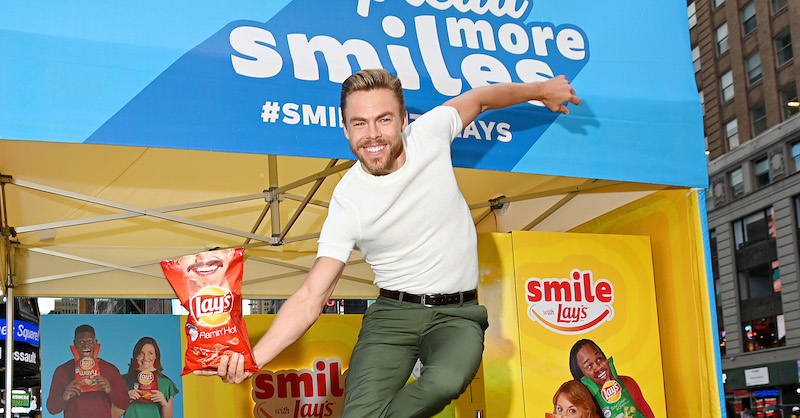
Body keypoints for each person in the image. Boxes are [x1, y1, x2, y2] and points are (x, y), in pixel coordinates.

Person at [204, 68, 580, 417]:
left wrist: (541, 90)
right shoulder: (347, 201)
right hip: (391, 317)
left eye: (384, 120)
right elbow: (311, 297)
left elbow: (481, 98)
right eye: (360, 123)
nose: (373, 135)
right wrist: (255, 358)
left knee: (446, 381)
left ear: (403, 121)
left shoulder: (430, 134)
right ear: (346, 131)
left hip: (457, 315)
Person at [47, 324, 130, 418]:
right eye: (81, 342)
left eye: (90, 341)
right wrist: (64, 397)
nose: (86, 345)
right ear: (75, 344)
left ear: (96, 343)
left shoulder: (110, 369)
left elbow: (124, 404)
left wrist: (109, 389)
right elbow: (51, 409)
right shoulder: (62, 371)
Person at [569, 339, 654, 418]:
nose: (599, 367)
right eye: (590, 366)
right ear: (581, 377)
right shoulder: (580, 408)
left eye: (599, 359)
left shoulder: (628, 383)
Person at [122, 337, 179, 418]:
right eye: (141, 353)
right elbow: (113, 415)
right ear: (136, 356)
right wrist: (125, 400)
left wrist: (164, 403)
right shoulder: (124, 381)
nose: (145, 358)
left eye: (150, 353)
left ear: (156, 356)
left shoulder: (166, 383)